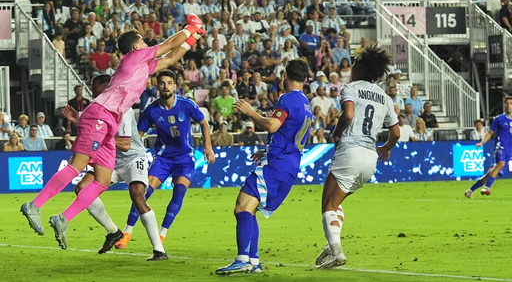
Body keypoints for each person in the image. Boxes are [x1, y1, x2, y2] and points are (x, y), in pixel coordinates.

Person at [20, 14, 205, 250]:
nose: (147, 45)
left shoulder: (141, 64)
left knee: (102, 180)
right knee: (77, 166)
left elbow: (170, 58)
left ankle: (63, 218)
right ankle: (34, 205)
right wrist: (191, 27)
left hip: (109, 121)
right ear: (137, 46)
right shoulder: (136, 56)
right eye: (143, 41)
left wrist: (192, 39)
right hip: (100, 114)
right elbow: (168, 45)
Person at [215, 59, 312, 275]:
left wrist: (250, 111)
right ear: (305, 79)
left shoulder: (287, 99)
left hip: (276, 165)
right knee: (251, 210)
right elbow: (286, 132)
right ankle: (254, 261)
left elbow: (272, 125)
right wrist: (268, 148)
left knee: (241, 206)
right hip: (288, 165)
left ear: (285, 76)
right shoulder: (306, 103)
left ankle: (242, 259)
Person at [64, 74, 168, 260]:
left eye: (95, 89)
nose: (92, 93)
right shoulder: (94, 109)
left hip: (132, 159)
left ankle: (159, 250)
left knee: (137, 195)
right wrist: (79, 122)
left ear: (107, 90)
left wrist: (97, 135)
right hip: (109, 160)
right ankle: (113, 232)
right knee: (81, 189)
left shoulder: (123, 109)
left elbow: (125, 144)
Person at [316, 44, 400, 269]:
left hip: (350, 152)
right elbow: (396, 132)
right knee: (338, 201)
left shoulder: (350, 88)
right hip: (371, 158)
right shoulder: (385, 97)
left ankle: (337, 252)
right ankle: (331, 242)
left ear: (361, 68)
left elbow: (349, 114)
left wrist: (336, 132)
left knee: (328, 205)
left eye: (355, 64)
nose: (351, 67)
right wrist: (386, 147)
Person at [115, 70, 215, 249]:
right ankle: (127, 231)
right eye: (162, 83)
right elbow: (138, 135)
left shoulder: (186, 104)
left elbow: (204, 124)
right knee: (142, 193)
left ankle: (162, 233)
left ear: (175, 86)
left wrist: (208, 147)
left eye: (169, 83)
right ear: (157, 86)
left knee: (179, 192)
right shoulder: (151, 111)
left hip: (185, 158)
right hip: (162, 158)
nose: (166, 86)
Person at [465, 97, 512, 198]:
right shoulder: (499, 119)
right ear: (504, 105)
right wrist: (481, 143)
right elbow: (490, 132)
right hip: (500, 145)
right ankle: (487, 188)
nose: (509, 105)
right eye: (507, 103)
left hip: (510, 149)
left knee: (492, 172)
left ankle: (470, 190)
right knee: (501, 163)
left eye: (511, 103)